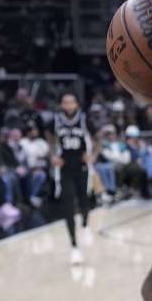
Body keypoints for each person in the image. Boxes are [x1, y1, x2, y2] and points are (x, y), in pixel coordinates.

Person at [50, 93, 94, 264]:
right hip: (64, 166)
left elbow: (98, 137)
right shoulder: (55, 120)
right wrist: (52, 155)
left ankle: (85, 224)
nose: (68, 105)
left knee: (84, 200)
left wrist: (93, 155)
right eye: (65, 102)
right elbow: (49, 138)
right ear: (61, 105)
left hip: (81, 165)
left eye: (71, 102)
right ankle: (74, 246)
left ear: (76, 104)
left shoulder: (84, 119)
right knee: (68, 205)